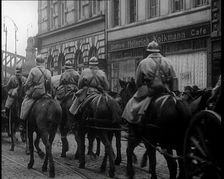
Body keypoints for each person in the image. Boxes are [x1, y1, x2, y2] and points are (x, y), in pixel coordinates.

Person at [122, 40, 178, 124]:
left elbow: (138, 81)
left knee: (131, 103)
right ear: (159, 50)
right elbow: (174, 78)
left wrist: (140, 87)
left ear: (148, 51)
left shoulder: (143, 62)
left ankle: (132, 127)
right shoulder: (168, 61)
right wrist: (173, 90)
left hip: (149, 90)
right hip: (166, 90)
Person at [19, 55, 51, 132]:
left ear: (36, 62)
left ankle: (22, 122)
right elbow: (49, 84)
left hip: (35, 93)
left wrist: (27, 89)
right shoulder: (48, 71)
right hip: (44, 93)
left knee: (25, 103)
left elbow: (28, 83)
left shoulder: (33, 70)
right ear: (44, 62)